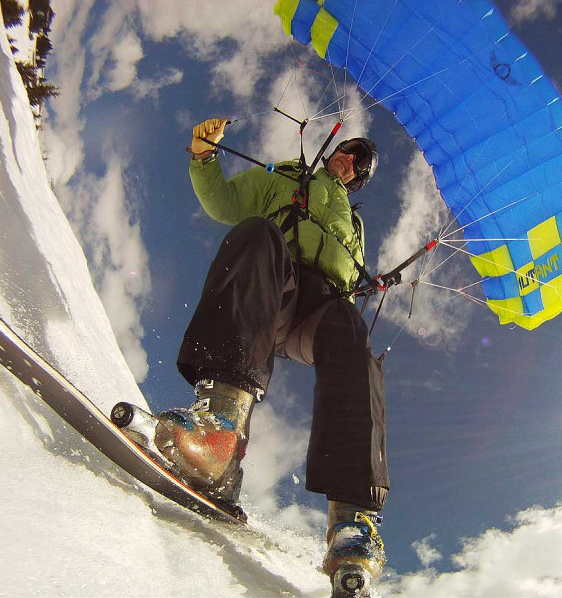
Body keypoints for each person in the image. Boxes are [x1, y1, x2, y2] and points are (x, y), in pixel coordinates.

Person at [153, 118, 388, 590]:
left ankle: (352, 520)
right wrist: (203, 156)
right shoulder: (285, 176)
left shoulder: (354, 225)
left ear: (359, 178)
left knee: (352, 333)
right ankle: (220, 433)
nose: (349, 159)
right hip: (273, 285)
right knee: (258, 232)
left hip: (320, 309)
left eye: (359, 162)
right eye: (347, 150)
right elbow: (223, 202)